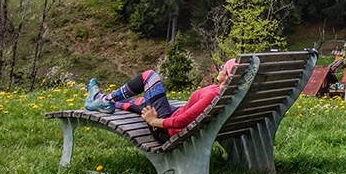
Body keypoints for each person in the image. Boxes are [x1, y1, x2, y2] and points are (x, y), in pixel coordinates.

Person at [84, 59, 238, 143]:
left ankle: (104, 100)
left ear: (229, 75)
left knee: (149, 76)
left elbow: (182, 121)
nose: (221, 67)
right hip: (172, 114)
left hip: (166, 130)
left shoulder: (214, 95)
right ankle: (112, 103)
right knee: (144, 102)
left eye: (224, 66)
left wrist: (153, 121)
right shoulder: (225, 93)